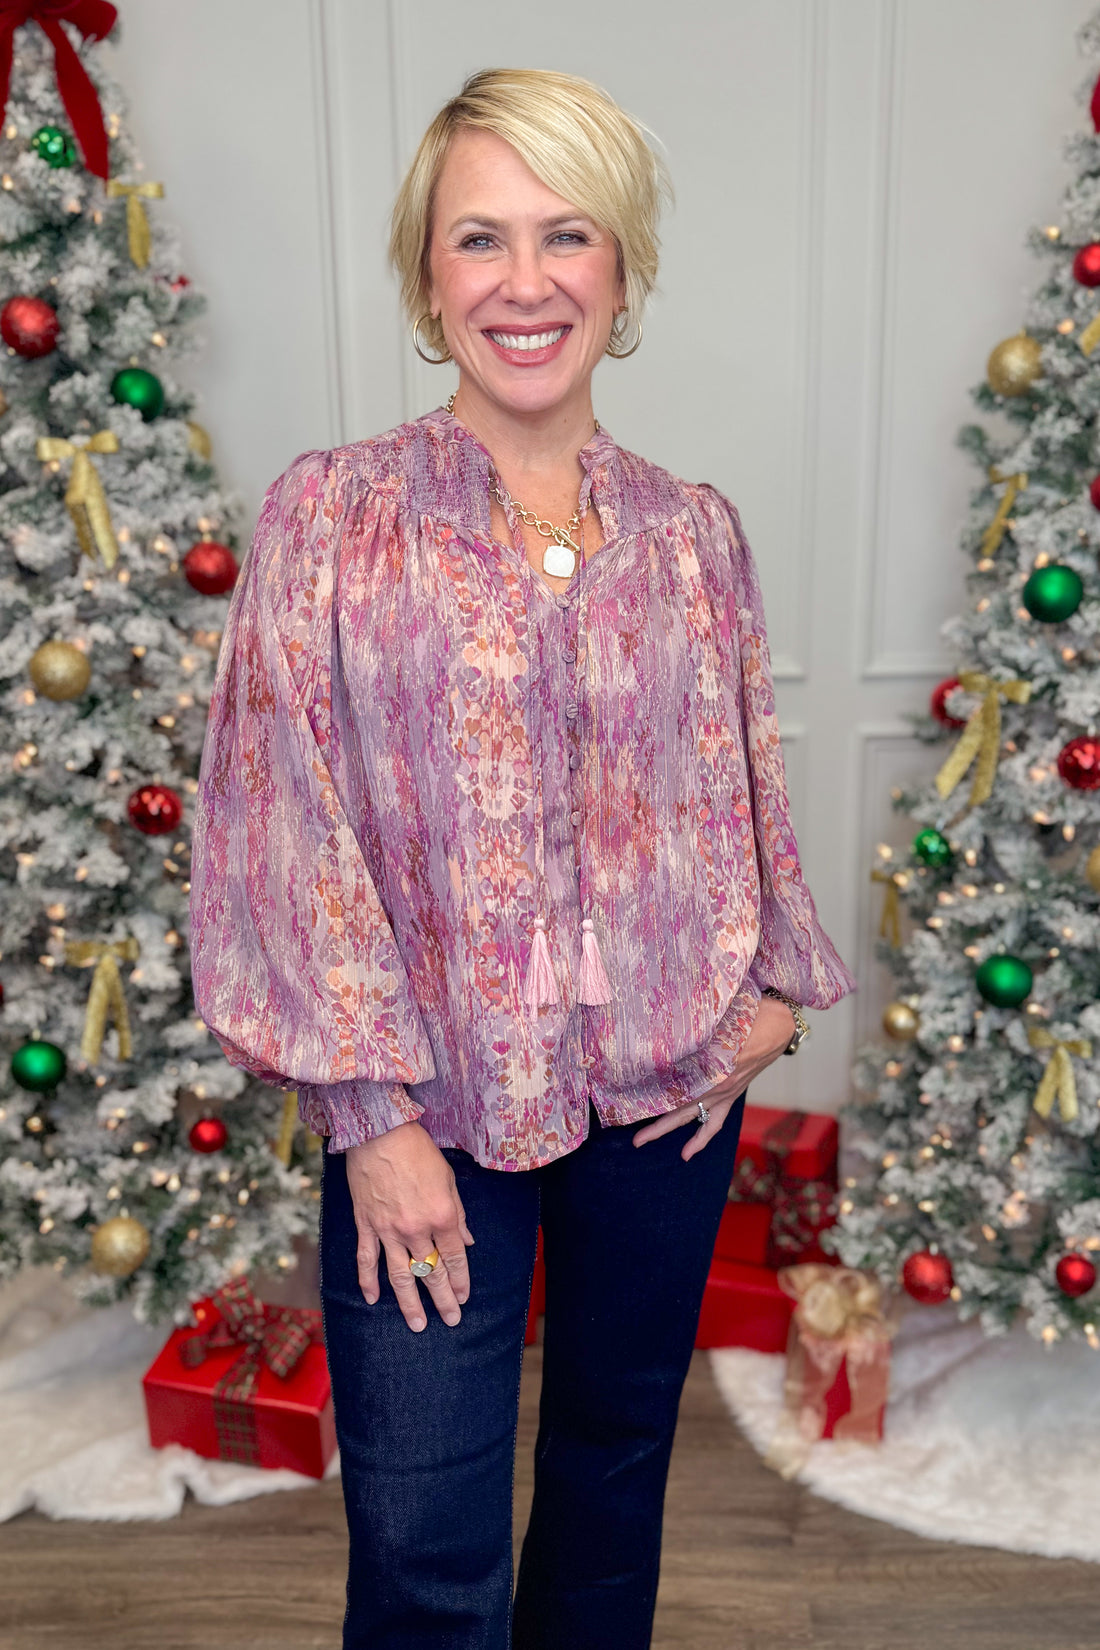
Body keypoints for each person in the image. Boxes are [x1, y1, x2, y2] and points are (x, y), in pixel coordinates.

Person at [189, 66, 855, 1650]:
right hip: (432, 1117)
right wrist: (368, 1119)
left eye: (567, 236)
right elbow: (283, 819)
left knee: (617, 1481)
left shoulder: (696, 534)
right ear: (429, 274)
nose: (526, 280)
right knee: (427, 1544)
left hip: (662, 1108)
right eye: (479, 238)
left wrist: (771, 997)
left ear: (620, 271)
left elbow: (741, 786)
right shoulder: (333, 518)